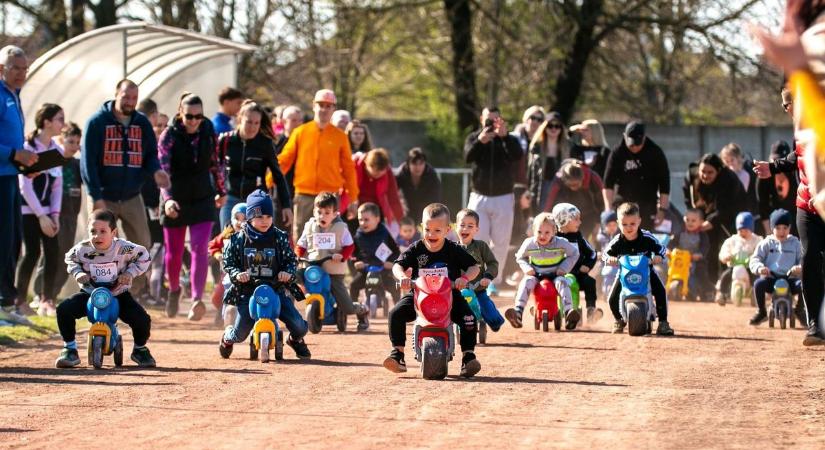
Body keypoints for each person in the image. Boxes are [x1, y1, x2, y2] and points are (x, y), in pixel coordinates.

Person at [750, 0, 825, 344]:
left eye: (790, 101)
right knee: (810, 259)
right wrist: (774, 166)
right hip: (808, 203)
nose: (788, 108)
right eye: (784, 104)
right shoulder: (803, 127)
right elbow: (801, 156)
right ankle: (814, 326)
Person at [81, 79, 170, 303]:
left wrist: (156, 171)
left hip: (132, 194)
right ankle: (98, 294)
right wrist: (96, 195)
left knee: (142, 244)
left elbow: (150, 155)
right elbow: (87, 162)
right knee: (101, 246)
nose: (130, 102)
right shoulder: (97, 122)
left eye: (134, 98)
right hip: (103, 194)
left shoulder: (141, 123)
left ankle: (129, 290)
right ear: (116, 94)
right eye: (126, 97)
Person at [383, 203, 481, 378]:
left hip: (449, 296)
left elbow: (474, 267)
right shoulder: (416, 249)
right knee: (395, 313)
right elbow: (398, 265)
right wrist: (403, 277)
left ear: (447, 230)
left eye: (437, 230)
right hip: (419, 296)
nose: (431, 234)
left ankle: (468, 357)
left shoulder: (454, 250)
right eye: (427, 229)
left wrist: (464, 279)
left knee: (469, 317)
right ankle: (398, 354)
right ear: (422, 227)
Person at [54, 209, 155, 368]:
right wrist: (78, 273)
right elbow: (70, 259)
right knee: (63, 310)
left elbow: (144, 256)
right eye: (93, 231)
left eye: (103, 231)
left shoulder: (124, 248)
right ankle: (70, 349)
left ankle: (140, 349)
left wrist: (129, 273)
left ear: (113, 232)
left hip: (118, 293)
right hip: (90, 294)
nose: (97, 236)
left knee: (142, 319)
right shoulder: (82, 249)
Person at [218, 190, 311, 359]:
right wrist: (237, 274)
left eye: (269, 216)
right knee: (239, 334)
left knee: (300, 327)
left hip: (276, 290)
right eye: (260, 217)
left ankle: (295, 340)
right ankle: (227, 338)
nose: (265, 221)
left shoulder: (280, 237)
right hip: (248, 291)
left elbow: (291, 260)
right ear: (249, 217)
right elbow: (228, 262)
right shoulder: (238, 239)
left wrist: (287, 272)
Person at [157, 93, 226, 321]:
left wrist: (221, 190)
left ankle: (197, 299)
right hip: (175, 197)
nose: (194, 121)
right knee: (174, 252)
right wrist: (168, 199)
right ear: (180, 113)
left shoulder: (208, 130)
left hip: (202, 197)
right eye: (189, 116)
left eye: (198, 116)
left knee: (199, 249)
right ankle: (174, 290)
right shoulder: (169, 136)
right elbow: (163, 170)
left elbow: (216, 163)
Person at [278, 89, 359, 240]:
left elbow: (348, 169)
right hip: (304, 196)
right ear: (314, 106)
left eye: (328, 106)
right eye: (321, 105)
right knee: (302, 239)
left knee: (330, 240)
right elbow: (285, 160)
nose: (324, 109)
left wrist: (353, 198)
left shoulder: (340, 137)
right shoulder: (301, 132)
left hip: (330, 197)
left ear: (333, 109)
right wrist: (268, 180)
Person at [464, 106, 521, 298]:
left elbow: (517, 156)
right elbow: (467, 157)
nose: (491, 124)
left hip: (503, 196)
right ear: (482, 119)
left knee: (500, 241)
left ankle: (493, 281)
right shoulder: (474, 138)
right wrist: (480, 142)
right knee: (476, 239)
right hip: (479, 195)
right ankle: (475, 278)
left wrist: (504, 137)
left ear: (501, 120)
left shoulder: (509, 139)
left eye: (495, 120)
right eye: (488, 120)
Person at [0, 45, 39, 324]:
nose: (21, 73)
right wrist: (14, 154)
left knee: (13, 241)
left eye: (25, 68)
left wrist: (26, 164)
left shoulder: (15, 94)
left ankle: (7, 302)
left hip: (10, 176)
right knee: (3, 241)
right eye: (15, 68)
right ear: (1, 68)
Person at [15, 104, 65, 317]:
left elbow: (57, 186)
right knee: (32, 253)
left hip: (47, 212)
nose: (63, 123)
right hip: (28, 211)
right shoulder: (28, 148)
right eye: (59, 119)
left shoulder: (56, 151)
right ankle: (19, 300)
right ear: (47, 122)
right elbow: (24, 186)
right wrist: (41, 215)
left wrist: (54, 214)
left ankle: (47, 300)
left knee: (53, 253)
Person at [295, 192, 369, 329]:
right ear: (314, 211)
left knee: (347, 307)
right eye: (319, 212)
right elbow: (301, 245)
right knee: (291, 276)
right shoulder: (309, 226)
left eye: (327, 213)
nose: (322, 216)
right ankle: (291, 306)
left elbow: (350, 246)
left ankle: (361, 310)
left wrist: (342, 255)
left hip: (333, 272)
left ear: (335, 214)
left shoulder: (340, 228)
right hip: (313, 268)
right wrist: (298, 255)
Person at [32, 122, 83, 315]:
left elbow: (90, 178)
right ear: (61, 140)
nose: (74, 146)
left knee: (65, 256)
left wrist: (86, 155)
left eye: (77, 142)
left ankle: (51, 296)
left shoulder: (78, 164)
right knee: (49, 254)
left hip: (70, 216)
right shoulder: (52, 160)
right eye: (70, 142)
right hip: (53, 214)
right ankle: (39, 294)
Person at [602, 202, 674, 336]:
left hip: (647, 272)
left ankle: (663, 323)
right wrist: (609, 259)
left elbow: (662, 248)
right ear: (618, 223)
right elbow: (605, 254)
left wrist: (658, 255)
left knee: (660, 290)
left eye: (632, 224)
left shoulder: (647, 237)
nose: (629, 227)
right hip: (624, 273)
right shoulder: (617, 241)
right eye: (624, 224)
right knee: (612, 298)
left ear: (639, 221)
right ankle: (619, 320)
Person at [218, 100, 292, 230]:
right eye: (249, 122)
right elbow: (214, 170)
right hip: (230, 198)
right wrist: (217, 192)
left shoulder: (265, 144)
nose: (252, 127)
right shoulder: (226, 140)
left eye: (256, 123)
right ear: (240, 119)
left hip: (256, 200)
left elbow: (278, 176)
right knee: (229, 237)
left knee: (257, 239)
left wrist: (286, 205)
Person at [504, 212, 581, 330]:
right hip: (536, 275)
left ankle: (568, 312)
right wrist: (527, 268)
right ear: (534, 231)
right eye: (539, 232)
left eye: (547, 232)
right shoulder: (529, 243)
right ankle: (518, 313)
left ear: (554, 232)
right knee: (526, 282)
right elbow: (520, 257)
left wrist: (564, 268)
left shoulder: (561, 242)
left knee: (562, 282)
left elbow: (574, 253)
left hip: (555, 275)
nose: (542, 236)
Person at [683, 153, 747, 282]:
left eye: (710, 172)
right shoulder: (692, 176)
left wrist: (711, 221)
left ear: (718, 171)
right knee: (708, 247)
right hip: (706, 211)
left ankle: (727, 281)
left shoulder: (729, 180)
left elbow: (727, 208)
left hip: (731, 214)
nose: (705, 176)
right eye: (703, 171)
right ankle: (709, 282)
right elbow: (689, 200)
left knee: (725, 248)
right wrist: (696, 217)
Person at [602, 121, 671, 230]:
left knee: (643, 235)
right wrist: (608, 209)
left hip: (647, 204)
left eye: (638, 144)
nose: (634, 148)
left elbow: (664, 184)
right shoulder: (618, 153)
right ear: (624, 136)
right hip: (623, 203)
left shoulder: (655, 152)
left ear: (644, 138)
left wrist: (662, 209)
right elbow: (608, 183)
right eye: (631, 144)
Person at [748, 209, 802, 327]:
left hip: (790, 278)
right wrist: (760, 268)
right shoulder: (766, 243)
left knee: (803, 285)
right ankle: (761, 312)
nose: (781, 231)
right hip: (771, 278)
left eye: (785, 228)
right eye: (778, 228)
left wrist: (799, 268)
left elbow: (803, 260)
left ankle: (799, 310)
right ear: (772, 228)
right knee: (758, 284)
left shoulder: (795, 243)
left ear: (790, 227)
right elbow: (755, 259)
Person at [455, 208, 506, 331]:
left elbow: (492, 263)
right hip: (459, 291)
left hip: (478, 288)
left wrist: (487, 277)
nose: (465, 229)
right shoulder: (452, 249)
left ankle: (491, 320)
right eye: (462, 225)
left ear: (476, 229)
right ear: (456, 227)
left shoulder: (481, 246)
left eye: (470, 226)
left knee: (490, 312)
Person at [553, 203, 603, 324]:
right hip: (557, 276)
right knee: (545, 285)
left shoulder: (578, 237)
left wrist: (587, 265)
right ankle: (546, 309)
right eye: (576, 219)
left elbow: (592, 253)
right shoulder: (553, 237)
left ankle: (591, 311)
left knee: (590, 281)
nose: (580, 222)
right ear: (564, 219)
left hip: (577, 274)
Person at [349, 202, 400, 317]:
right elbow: (352, 252)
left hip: (382, 270)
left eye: (366, 220)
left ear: (377, 219)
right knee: (353, 285)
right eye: (360, 220)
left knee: (394, 286)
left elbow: (395, 251)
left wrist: (391, 262)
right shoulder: (358, 235)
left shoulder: (384, 233)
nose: (363, 223)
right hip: (366, 270)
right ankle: (353, 309)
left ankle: (399, 308)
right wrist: (356, 262)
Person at [544, 159, 608, 237]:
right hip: (566, 216)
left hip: (589, 215)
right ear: (564, 181)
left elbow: (602, 202)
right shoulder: (558, 180)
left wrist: (598, 222)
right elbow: (550, 201)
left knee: (583, 238)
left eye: (576, 184)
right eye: (570, 185)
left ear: (582, 179)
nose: (573, 187)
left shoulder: (593, 178)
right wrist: (545, 218)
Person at [208, 202, 245, 327]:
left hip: (248, 276)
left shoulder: (255, 236)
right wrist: (218, 254)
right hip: (228, 276)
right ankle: (222, 316)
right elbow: (212, 245)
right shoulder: (227, 234)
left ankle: (242, 322)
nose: (240, 222)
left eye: (245, 219)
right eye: (237, 218)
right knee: (217, 297)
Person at [527, 112, 570, 213]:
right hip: (542, 189)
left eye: (557, 126)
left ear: (561, 129)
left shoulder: (568, 146)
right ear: (545, 127)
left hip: (562, 189)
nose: (553, 129)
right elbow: (531, 174)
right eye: (550, 126)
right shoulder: (536, 147)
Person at [353, 148, 404, 233]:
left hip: (377, 211)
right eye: (376, 172)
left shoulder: (387, 171)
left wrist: (400, 220)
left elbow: (393, 196)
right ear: (367, 165)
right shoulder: (355, 166)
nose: (379, 175)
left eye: (381, 172)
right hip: (356, 210)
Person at [715, 212, 761, 306]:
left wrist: (754, 258)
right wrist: (726, 256)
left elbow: (761, 251)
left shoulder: (757, 240)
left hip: (749, 267)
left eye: (746, 230)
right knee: (725, 276)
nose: (743, 233)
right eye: (740, 230)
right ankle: (722, 294)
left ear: (751, 229)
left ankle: (756, 295)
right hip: (734, 266)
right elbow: (724, 250)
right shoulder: (732, 240)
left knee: (756, 278)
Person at [667, 208, 712, 301]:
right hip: (680, 260)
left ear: (701, 222)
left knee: (701, 273)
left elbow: (705, 247)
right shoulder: (680, 233)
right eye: (687, 220)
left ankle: (707, 291)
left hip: (695, 260)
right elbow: (672, 243)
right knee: (668, 269)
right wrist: (668, 250)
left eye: (693, 221)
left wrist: (699, 254)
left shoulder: (702, 235)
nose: (690, 223)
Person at [757, 140, 798, 235]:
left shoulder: (796, 175)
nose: (778, 164)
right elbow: (762, 205)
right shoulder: (763, 177)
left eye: (782, 161)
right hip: (773, 223)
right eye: (775, 160)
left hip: (795, 222)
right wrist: (768, 231)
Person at [395, 147, 442, 221]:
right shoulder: (400, 174)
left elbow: (436, 199)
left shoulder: (432, 175)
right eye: (414, 163)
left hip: (426, 212)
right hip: (405, 211)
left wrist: (433, 216)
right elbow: (392, 194)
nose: (418, 167)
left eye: (421, 163)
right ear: (408, 164)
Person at [720, 143, 759, 216]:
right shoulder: (724, 174)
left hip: (744, 211)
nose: (730, 164)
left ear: (738, 158)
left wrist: (733, 174)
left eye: (732, 160)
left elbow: (739, 194)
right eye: (727, 161)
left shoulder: (745, 174)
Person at [597, 210, 620, 298]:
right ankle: (598, 291)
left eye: (614, 225)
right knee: (596, 271)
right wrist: (598, 254)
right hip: (604, 263)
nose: (612, 227)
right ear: (604, 226)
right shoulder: (601, 238)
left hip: (617, 264)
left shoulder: (619, 237)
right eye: (609, 225)